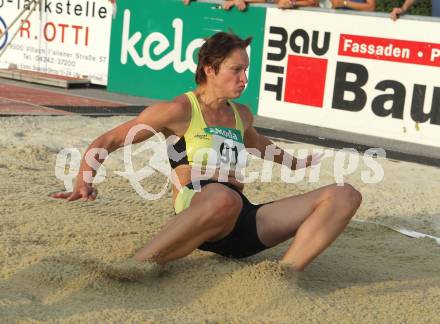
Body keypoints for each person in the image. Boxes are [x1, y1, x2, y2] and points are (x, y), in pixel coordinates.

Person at [51, 32, 362, 272]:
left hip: (239, 218)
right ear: (210, 69)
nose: (244, 79)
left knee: (344, 194)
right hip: (197, 208)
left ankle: (283, 276)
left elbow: (257, 143)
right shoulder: (179, 109)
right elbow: (110, 140)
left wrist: (294, 162)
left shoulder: (241, 113)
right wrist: (84, 180)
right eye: (236, 70)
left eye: (246, 70)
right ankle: (137, 264)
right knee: (222, 198)